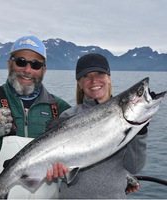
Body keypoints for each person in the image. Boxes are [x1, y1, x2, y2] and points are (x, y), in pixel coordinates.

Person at [0, 36, 71, 199]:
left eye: (36, 64)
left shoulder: (60, 108)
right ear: (9, 64)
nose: (27, 70)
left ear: (44, 70)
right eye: (21, 62)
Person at [46, 53, 147, 199]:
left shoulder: (126, 118)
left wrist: (140, 132)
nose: (94, 80)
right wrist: (59, 172)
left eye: (100, 73)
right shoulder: (69, 117)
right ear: (79, 84)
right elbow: (60, 167)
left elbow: (135, 167)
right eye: (86, 76)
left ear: (109, 78)